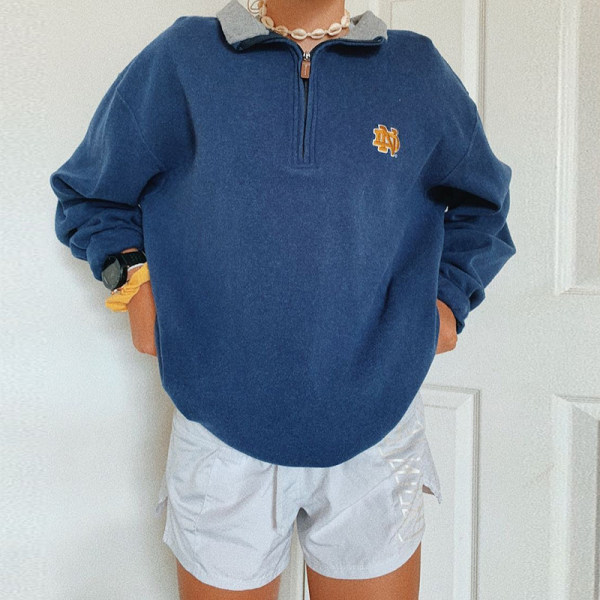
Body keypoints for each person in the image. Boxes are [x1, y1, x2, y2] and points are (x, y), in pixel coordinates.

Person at [49, 0, 517, 598]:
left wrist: (448, 301)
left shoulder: (416, 71)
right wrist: (134, 286)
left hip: (376, 423)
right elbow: (91, 194)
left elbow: (483, 206)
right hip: (218, 421)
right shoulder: (183, 60)